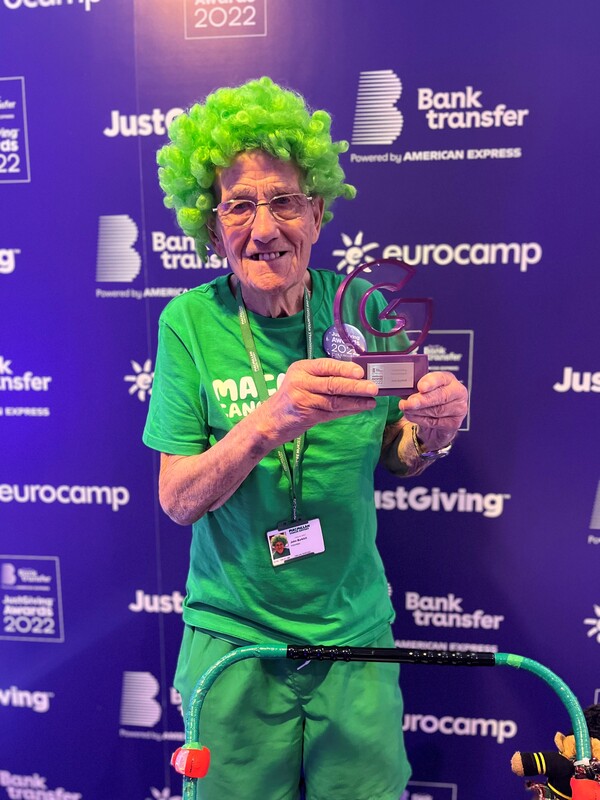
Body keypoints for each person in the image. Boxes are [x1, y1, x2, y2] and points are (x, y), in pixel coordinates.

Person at [143, 77, 468, 800]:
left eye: (284, 201)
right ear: (211, 227)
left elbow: (398, 448)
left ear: (317, 212)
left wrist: (432, 435)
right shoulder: (187, 324)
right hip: (235, 643)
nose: (264, 228)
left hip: (354, 636)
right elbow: (177, 499)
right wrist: (270, 420)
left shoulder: (360, 306)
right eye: (239, 205)